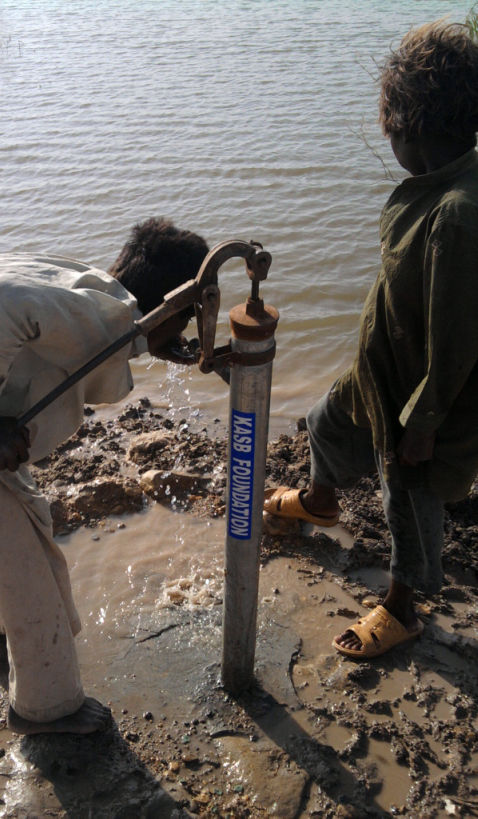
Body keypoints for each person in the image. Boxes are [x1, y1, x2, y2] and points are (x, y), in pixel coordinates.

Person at [0, 217, 208, 733]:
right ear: (174, 304)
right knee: (23, 560)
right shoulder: (94, 313)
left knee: (4, 517)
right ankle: (48, 707)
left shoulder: (92, 290)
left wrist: (154, 339)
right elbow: (8, 301)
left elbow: (24, 311)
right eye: (189, 316)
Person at [263, 20, 478, 659]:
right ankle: (319, 500)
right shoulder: (438, 188)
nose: (389, 142)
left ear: (411, 127)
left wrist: (423, 423)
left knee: (406, 496)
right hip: (379, 374)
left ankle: (403, 607)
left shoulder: (457, 216)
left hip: (419, 398)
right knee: (325, 423)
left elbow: (457, 340)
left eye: (390, 133)